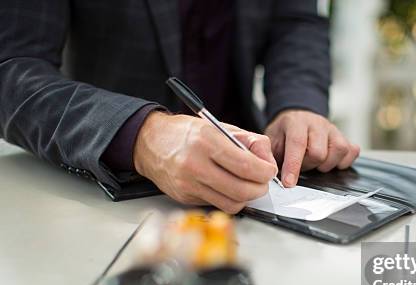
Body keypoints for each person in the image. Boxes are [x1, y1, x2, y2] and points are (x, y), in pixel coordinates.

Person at [0, 0, 360, 213]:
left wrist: (297, 104)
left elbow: (295, 20)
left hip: (255, 188)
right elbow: (11, 69)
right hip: (107, 202)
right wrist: (140, 135)